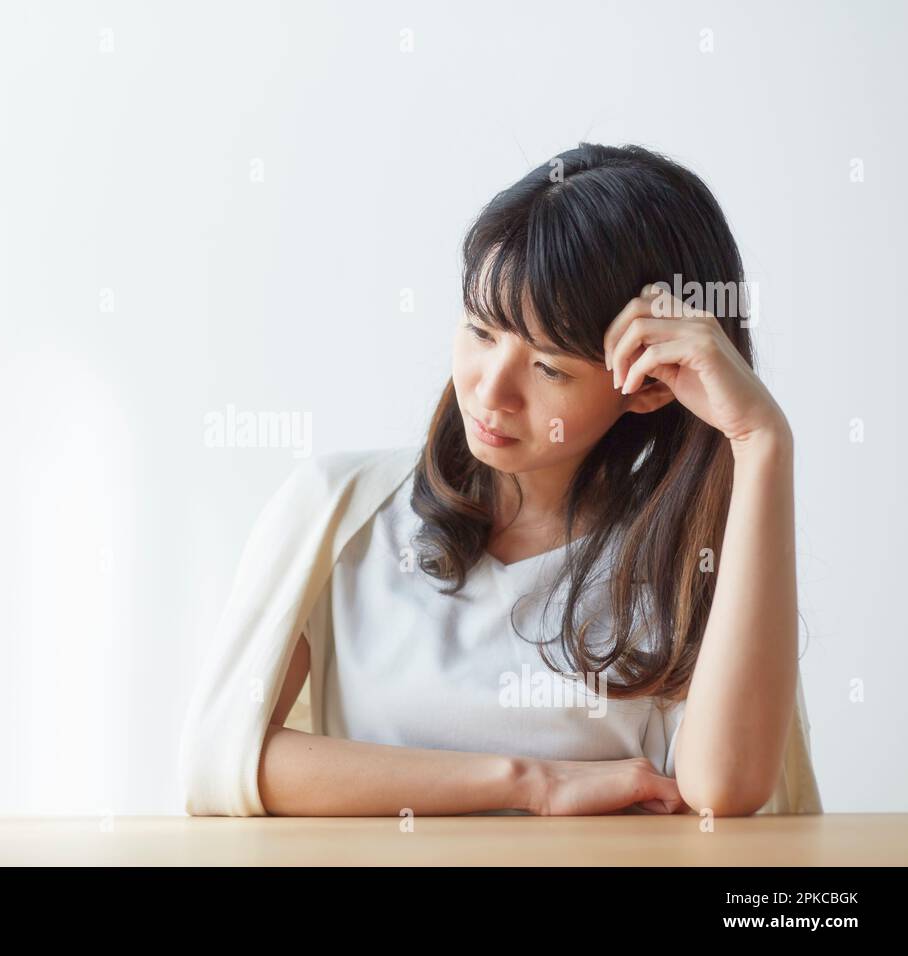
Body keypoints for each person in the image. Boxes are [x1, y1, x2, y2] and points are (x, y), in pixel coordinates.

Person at [191, 143, 812, 817]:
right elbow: (223, 761)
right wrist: (527, 781)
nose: (491, 391)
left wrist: (760, 441)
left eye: (549, 368)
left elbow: (726, 790)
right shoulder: (341, 511)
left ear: (648, 387)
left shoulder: (688, 557)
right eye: (481, 332)